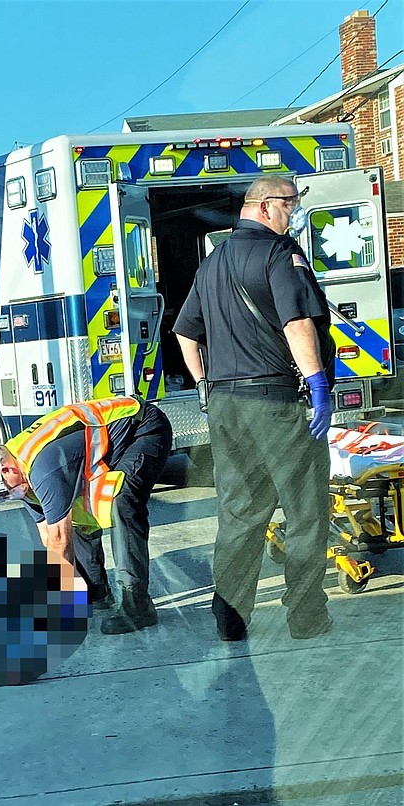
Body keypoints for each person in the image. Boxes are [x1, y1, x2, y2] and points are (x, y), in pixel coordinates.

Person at [173, 176, 335, 642]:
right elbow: (297, 322)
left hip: (226, 408)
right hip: (276, 405)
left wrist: (203, 385)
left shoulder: (212, 264)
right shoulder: (280, 256)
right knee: (306, 514)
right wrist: (318, 384)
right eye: (291, 204)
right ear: (266, 207)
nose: (294, 213)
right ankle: (306, 617)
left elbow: (186, 334)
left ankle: (230, 619)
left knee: (240, 515)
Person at [0, 396, 172, 634]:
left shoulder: (42, 470)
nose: (6, 499)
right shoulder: (17, 472)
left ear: (6, 469)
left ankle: (137, 604)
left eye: (3, 493)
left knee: (120, 501)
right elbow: (47, 533)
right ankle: (95, 590)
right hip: (110, 444)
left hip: (143, 427)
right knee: (75, 513)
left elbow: (59, 540)